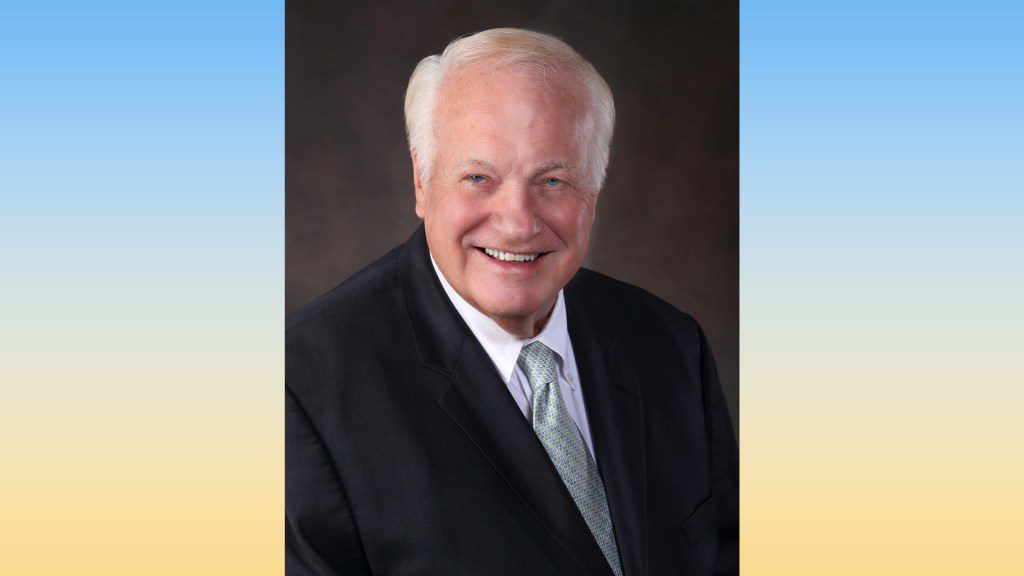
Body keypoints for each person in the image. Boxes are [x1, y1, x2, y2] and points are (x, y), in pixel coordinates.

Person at [286, 28, 738, 576]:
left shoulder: (669, 344)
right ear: (421, 181)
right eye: (478, 177)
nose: (519, 222)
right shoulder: (304, 383)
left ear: (594, 187)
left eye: (553, 180)